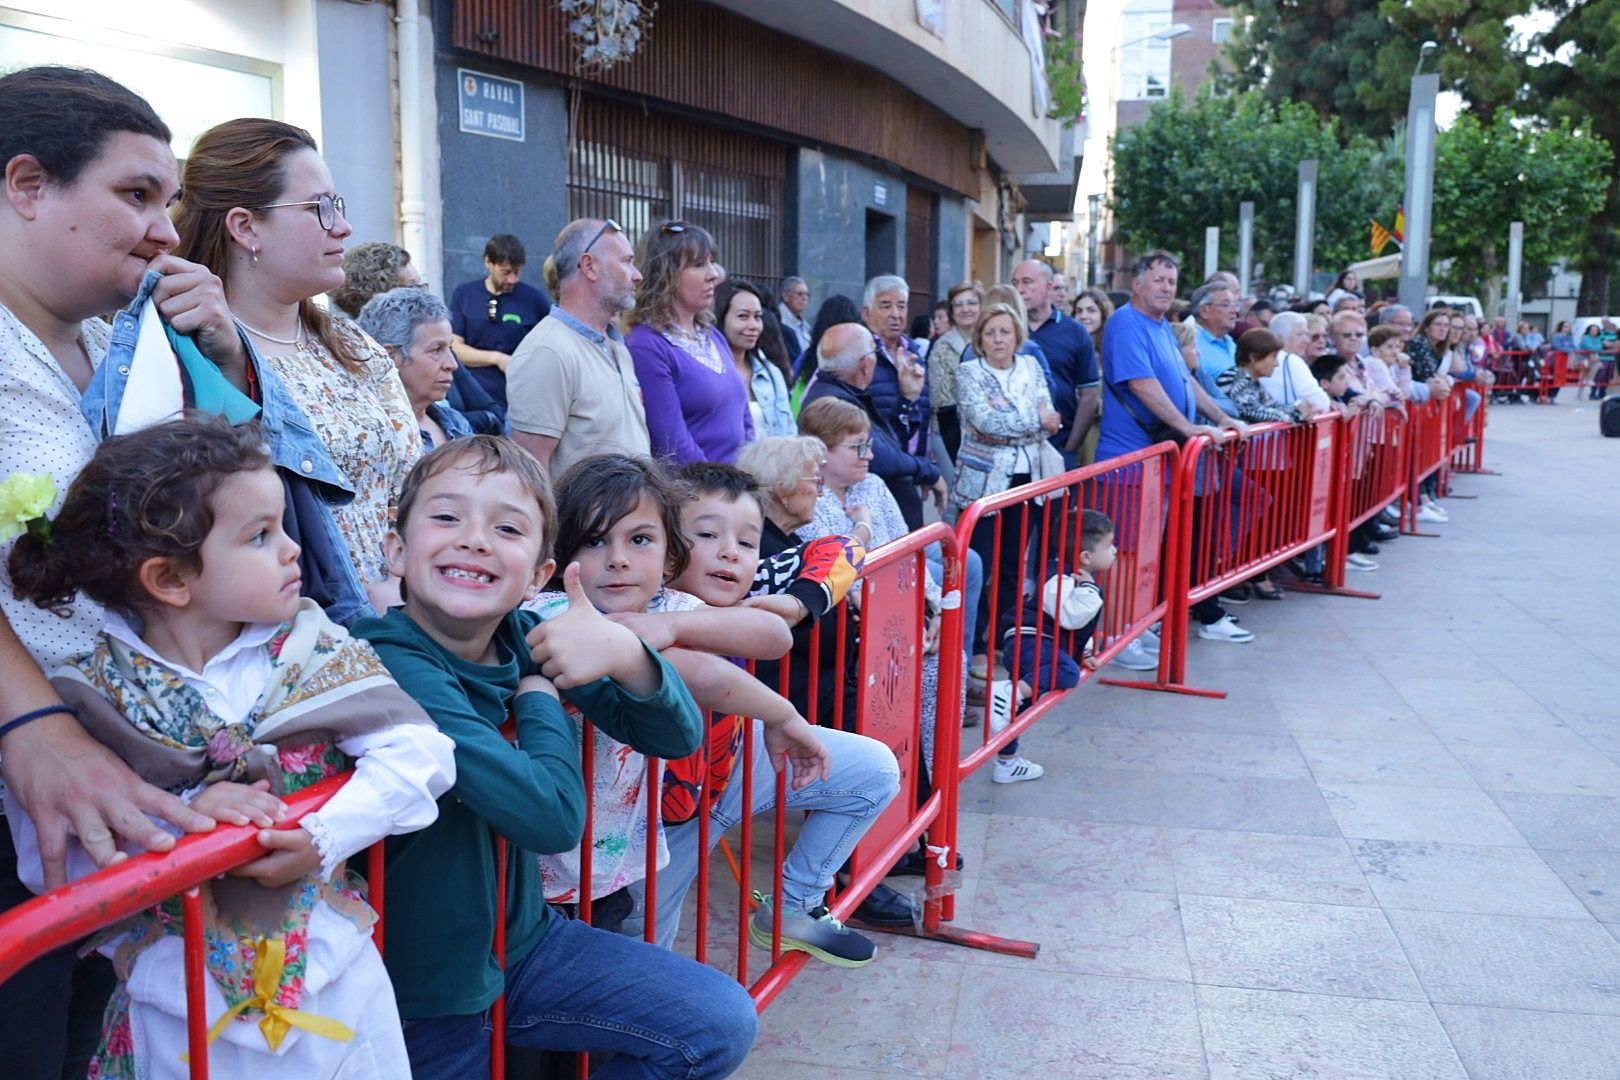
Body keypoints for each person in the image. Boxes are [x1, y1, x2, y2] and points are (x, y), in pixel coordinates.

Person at [6, 416, 456, 1079]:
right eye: (260, 535)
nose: (292, 549)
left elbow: (423, 756)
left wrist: (323, 833)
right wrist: (185, 826)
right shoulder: (86, 699)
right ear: (170, 579)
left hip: (334, 983)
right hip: (176, 1011)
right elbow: (55, 857)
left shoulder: (313, 650)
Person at [354, 436, 758, 1078]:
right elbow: (548, 817)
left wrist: (627, 656)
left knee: (717, 1022)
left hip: (523, 942)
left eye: (507, 527)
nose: (476, 539)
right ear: (397, 549)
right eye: (447, 516)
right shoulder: (390, 659)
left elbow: (676, 737)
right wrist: (539, 696)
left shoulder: (519, 632)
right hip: (428, 985)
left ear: (540, 572)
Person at [628, 461, 905, 953]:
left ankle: (794, 905)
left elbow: (841, 549)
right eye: (708, 534)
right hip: (659, 813)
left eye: (748, 542)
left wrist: (799, 602)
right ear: (666, 542)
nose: (730, 552)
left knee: (874, 771)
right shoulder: (641, 600)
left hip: (730, 763)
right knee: (642, 938)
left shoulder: (751, 590)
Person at [525, 455, 807, 934]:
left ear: (670, 556)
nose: (618, 558)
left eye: (639, 540)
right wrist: (783, 715)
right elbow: (697, 672)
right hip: (535, 870)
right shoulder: (552, 613)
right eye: (594, 541)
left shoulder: (662, 606)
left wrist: (668, 624)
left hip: (608, 869)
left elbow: (774, 635)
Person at [173, 118, 421, 616]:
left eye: (338, 205)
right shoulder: (191, 355)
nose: (343, 226)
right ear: (246, 227)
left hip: (409, 619)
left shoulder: (349, 343)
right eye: (319, 208)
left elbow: (414, 483)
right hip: (302, 636)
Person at [1097, 251, 1252, 647]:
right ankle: (1118, 634)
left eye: (1172, 281)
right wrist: (1187, 426)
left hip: (1158, 459)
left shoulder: (1163, 327)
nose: (1167, 287)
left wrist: (1221, 418)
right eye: (1159, 279)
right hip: (1129, 460)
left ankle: (1137, 623)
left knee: (1148, 549)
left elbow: (1187, 381)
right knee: (1126, 553)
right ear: (1137, 283)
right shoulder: (1126, 323)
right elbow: (1141, 384)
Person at [952, 302, 1062, 783]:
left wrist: (1038, 417)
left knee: (1016, 569)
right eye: (990, 332)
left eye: (1006, 331)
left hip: (1029, 481)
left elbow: (1050, 407)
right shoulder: (969, 372)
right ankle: (974, 648)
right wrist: (1037, 421)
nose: (999, 339)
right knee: (982, 564)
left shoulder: (1032, 365)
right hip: (984, 486)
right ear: (980, 338)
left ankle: (1002, 641)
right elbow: (985, 423)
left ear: (1018, 336)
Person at [504, 218, 649, 476]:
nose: (638, 275)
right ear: (589, 266)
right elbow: (531, 478)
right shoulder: (547, 351)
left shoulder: (617, 346)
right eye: (627, 261)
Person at [332, 241, 503, 435]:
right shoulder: (351, 368)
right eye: (414, 287)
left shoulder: (439, 348)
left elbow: (494, 414)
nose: (450, 364)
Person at [626, 220, 752, 464]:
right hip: (694, 494)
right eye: (698, 264)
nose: (713, 274)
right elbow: (672, 443)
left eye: (711, 262)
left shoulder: (711, 335)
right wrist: (719, 490)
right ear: (666, 274)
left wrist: (750, 471)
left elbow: (743, 415)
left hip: (737, 489)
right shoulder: (646, 346)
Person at [801, 322, 944, 530]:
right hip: (874, 536)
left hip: (895, 529)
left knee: (972, 561)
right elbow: (881, 457)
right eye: (875, 352)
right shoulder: (834, 401)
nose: (866, 454)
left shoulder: (849, 391)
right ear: (866, 363)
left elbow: (890, 443)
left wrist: (907, 399)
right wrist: (928, 470)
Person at [858, 274, 935, 527]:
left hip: (910, 474)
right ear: (867, 313)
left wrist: (923, 465)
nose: (896, 314)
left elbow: (923, 415)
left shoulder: (915, 353)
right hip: (873, 474)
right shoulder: (860, 354)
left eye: (901, 306)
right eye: (886, 305)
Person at [357, 287, 473, 450]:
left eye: (450, 348)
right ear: (389, 357)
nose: (452, 364)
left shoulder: (457, 424)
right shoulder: (368, 438)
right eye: (436, 349)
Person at [447, 233, 552, 410]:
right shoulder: (464, 294)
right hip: (475, 399)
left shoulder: (534, 299)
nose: (512, 280)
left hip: (521, 399)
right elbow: (456, 348)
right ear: (488, 262)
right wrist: (497, 359)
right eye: (505, 272)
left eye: (517, 272)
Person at [1013, 259, 1099, 466]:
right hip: (1012, 450)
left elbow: (1089, 395)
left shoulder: (1075, 332)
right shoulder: (1005, 329)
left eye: (1027, 282)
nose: (1019, 290)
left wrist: (1070, 449)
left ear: (1049, 287)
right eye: (1015, 283)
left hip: (1058, 447)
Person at [716, 279, 795, 438]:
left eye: (757, 317)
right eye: (743, 316)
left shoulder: (771, 373)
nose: (753, 325)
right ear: (721, 318)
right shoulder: (708, 374)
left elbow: (788, 433)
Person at [929, 283, 981, 463]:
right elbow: (943, 401)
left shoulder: (991, 340)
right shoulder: (942, 347)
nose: (965, 309)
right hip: (950, 433)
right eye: (958, 304)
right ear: (951, 311)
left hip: (989, 436)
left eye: (972, 303)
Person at [777, 275, 811, 357]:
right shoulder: (777, 320)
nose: (804, 298)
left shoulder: (805, 326)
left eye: (807, 295)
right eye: (800, 294)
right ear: (786, 297)